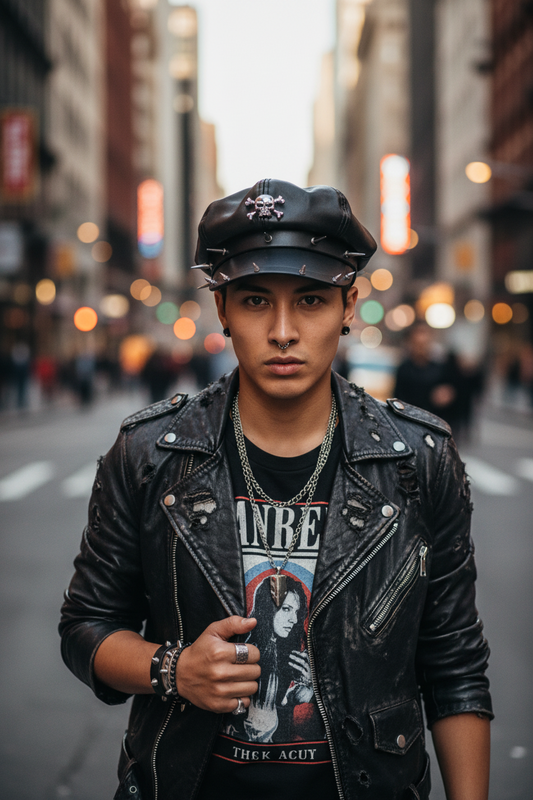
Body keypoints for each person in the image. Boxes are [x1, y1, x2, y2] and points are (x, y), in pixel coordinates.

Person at [60, 179, 492, 800]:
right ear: (223, 311)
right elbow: (86, 627)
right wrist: (173, 670)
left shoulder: (417, 461)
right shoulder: (150, 455)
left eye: (311, 301)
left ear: (348, 308)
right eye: (257, 301)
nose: (284, 331)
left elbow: (454, 665)